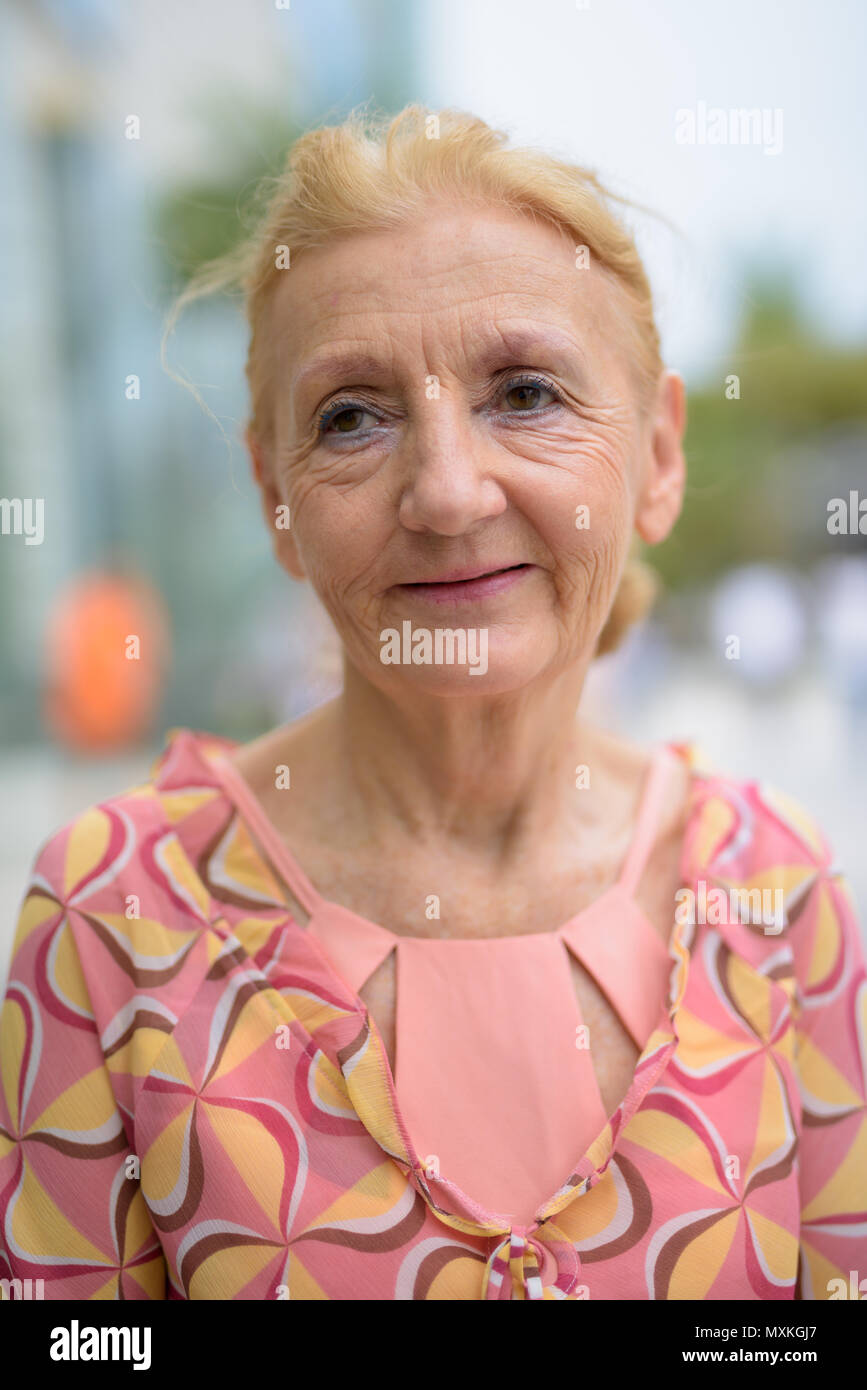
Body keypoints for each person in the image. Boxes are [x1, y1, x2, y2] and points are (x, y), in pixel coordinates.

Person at [1, 105, 864, 1301]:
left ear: (659, 458)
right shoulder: (112, 918)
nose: (449, 493)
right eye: (352, 416)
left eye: (525, 393)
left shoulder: (780, 897)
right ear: (277, 500)